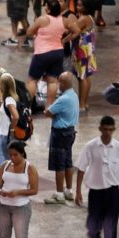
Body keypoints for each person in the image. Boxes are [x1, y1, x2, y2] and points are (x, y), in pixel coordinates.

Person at [25, 0, 70, 111]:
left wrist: (37, 34)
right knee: (52, 80)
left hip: (42, 53)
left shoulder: (42, 20)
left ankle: (27, 107)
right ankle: (49, 106)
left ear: (48, 9)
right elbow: (77, 30)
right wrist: (65, 40)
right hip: (58, 53)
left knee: (32, 80)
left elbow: (29, 32)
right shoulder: (64, 20)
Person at [44, 72, 80, 204]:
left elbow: (48, 113)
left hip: (60, 134)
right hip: (70, 132)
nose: (58, 84)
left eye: (59, 82)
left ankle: (59, 194)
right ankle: (69, 191)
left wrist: (48, 103)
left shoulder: (63, 99)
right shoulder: (74, 95)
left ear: (64, 83)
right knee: (68, 162)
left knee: (59, 164)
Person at [0, 68, 20, 178]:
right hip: (5, 134)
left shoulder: (8, 100)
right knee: (9, 160)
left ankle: (10, 180)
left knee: (9, 160)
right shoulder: (9, 99)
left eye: (0, 84)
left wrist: (11, 130)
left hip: (7, 135)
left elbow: (15, 116)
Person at [71, 0, 98, 111]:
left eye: (80, 5)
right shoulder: (90, 17)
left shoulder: (83, 19)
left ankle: (81, 104)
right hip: (88, 49)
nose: (77, 7)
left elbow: (72, 30)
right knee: (85, 76)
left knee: (82, 77)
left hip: (81, 49)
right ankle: (84, 102)